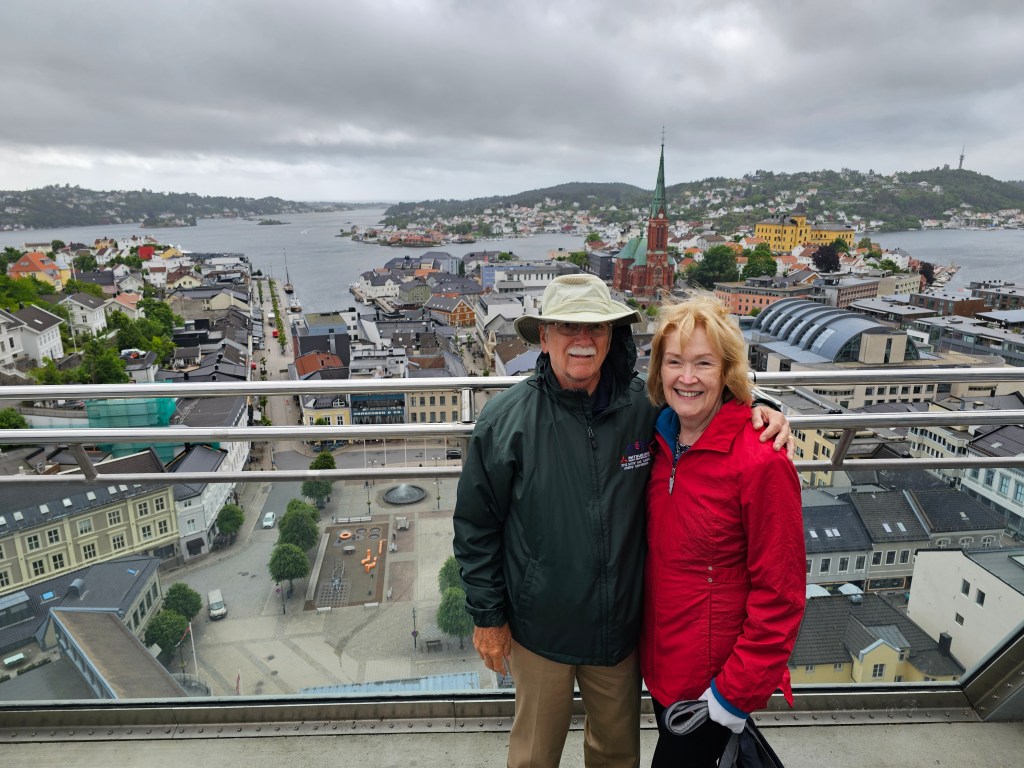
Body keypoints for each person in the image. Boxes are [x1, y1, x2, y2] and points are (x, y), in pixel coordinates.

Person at [452, 275, 791, 768]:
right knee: (532, 758)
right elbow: (475, 527)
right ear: (543, 337)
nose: (582, 339)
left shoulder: (644, 407)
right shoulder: (506, 420)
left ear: (612, 336)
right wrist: (488, 617)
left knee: (615, 757)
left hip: (619, 632)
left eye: (595, 327)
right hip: (538, 629)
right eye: (567, 327)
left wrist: (763, 407)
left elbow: (704, 397)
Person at [639, 295, 805, 768]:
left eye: (703, 363)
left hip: (714, 683)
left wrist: (732, 696)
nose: (686, 377)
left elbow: (782, 593)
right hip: (664, 667)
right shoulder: (660, 437)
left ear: (728, 371)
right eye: (674, 361)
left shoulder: (761, 460)